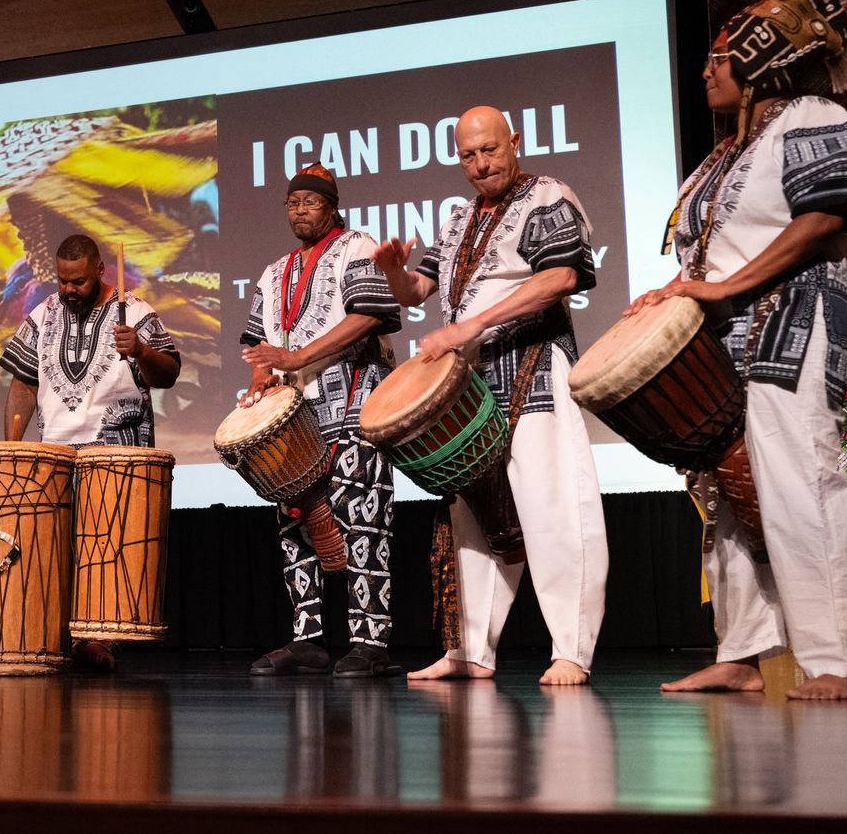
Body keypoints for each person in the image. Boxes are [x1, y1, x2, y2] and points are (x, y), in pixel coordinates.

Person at [632, 0, 847, 702]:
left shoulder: (813, 118)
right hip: (730, 336)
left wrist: (723, 285)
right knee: (731, 491)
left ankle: (839, 661)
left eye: (719, 58)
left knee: (803, 480)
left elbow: (828, 215)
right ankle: (743, 652)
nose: (706, 71)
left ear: (764, 61)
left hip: (793, 320)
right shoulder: (728, 152)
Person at [373, 107, 606, 686]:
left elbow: (560, 277)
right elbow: (419, 289)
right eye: (469, 155)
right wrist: (395, 275)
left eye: (490, 150)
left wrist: (469, 327)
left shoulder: (547, 196)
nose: (480, 165)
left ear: (514, 143)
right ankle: (471, 652)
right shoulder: (457, 221)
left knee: (553, 508)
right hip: (473, 386)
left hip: (531, 364)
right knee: (471, 520)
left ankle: (571, 649)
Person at [238, 164, 402, 677]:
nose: (300, 209)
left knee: (363, 519)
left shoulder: (356, 246)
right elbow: (257, 345)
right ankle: (307, 639)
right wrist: (259, 384)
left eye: (311, 201)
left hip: (355, 404)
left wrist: (299, 356)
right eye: (293, 202)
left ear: (331, 206)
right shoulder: (272, 272)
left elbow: (371, 314)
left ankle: (370, 641)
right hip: (295, 416)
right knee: (294, 527)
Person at [0, 233, 181, 669]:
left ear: (100, 270)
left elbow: (170, 373)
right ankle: (53, 636)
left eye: (77, 281)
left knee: (105, 550)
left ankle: (100, 638)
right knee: (55, 551)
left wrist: (139, 349)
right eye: (62, 281)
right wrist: (12, 450)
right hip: (55, 454)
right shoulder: (42, 316)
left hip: (115, 453)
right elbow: (23, 385)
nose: (68, 290)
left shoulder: (135, 312)